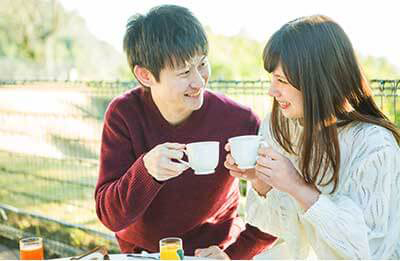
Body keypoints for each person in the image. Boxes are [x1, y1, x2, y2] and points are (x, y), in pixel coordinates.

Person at [196, 15, 400, 259]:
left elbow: (368, 250)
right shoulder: (280, 125)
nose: (272, 90)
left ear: (318, 81)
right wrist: (262, 182)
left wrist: (297, 186)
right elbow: (285, 232)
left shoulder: (375, 145)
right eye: (272, 78)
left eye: (281, 80)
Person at [94, 4, 276, 259]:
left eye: (202, 64)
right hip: (143, 254)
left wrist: (233, 255)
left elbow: (278, 209)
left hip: (213, 253)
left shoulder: (240, 122)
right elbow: (109, 215)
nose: (199, 82)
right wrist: (145, 171)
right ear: (145, 75)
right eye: (184, 72)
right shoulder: (124, 115)